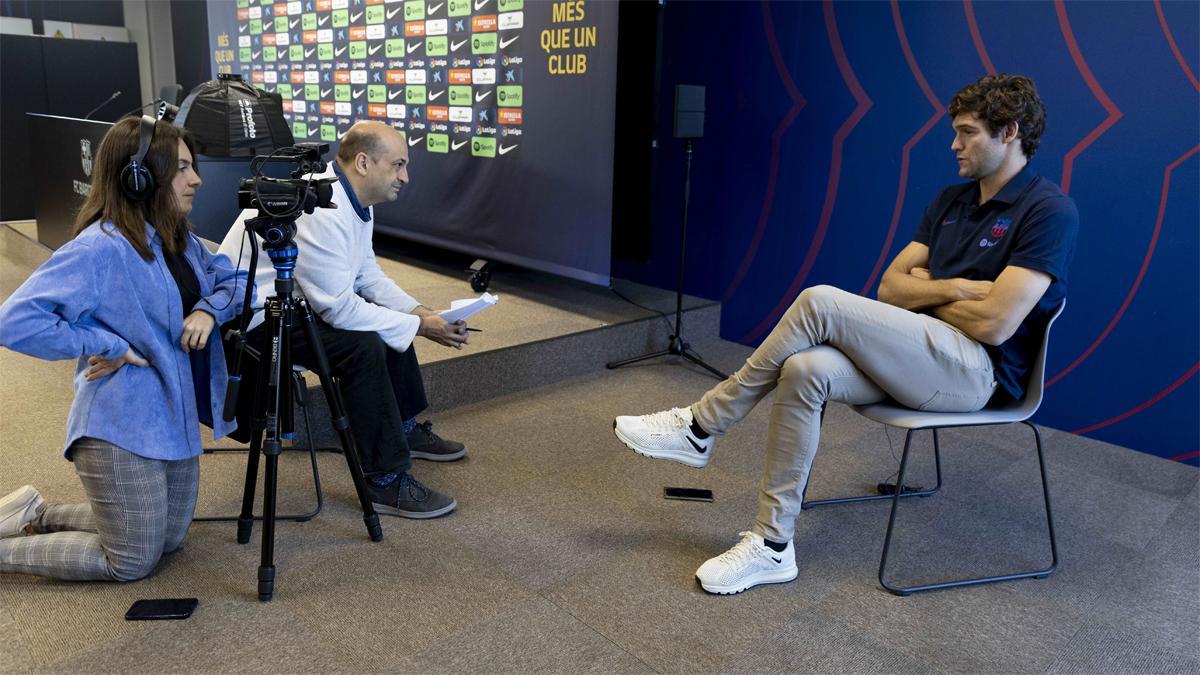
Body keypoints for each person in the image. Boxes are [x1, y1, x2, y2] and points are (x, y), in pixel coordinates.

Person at [614, 74, 1078, 594]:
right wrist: (960, 290)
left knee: (819, 302)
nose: (954, 144)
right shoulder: (950, 201)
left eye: (967, 132)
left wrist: (930, 291)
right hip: (919, 354)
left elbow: (996, 325)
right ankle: (772, 545)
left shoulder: (1048, 211)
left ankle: (701, 425)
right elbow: (889, 290)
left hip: (978, 375)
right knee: (804, 369)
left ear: (1009, 132)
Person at [0, 116, 248, 581]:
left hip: (172, 418)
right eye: (180, 169)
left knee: (171, 538)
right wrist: (105, 340)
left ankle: (40, 512)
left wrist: (210, 310)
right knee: (132, 559)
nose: (195, 179)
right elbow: (13, 320)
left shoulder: (180, 239)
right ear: (140, 178)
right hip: (119, 424)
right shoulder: (101, 248)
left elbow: (238, 281)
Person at [218, 120, 468, 520]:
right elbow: (337, 307)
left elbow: (366, 276)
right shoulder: (321, 209)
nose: (405, 176)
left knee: (387, 321)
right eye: (399, 165)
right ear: (365, 163)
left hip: (301, 303)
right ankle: (383, 478)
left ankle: (402, 427)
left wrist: (419, 312)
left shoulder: (351, 199)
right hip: (258, 320)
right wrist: (420, 327)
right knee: (364, 345)